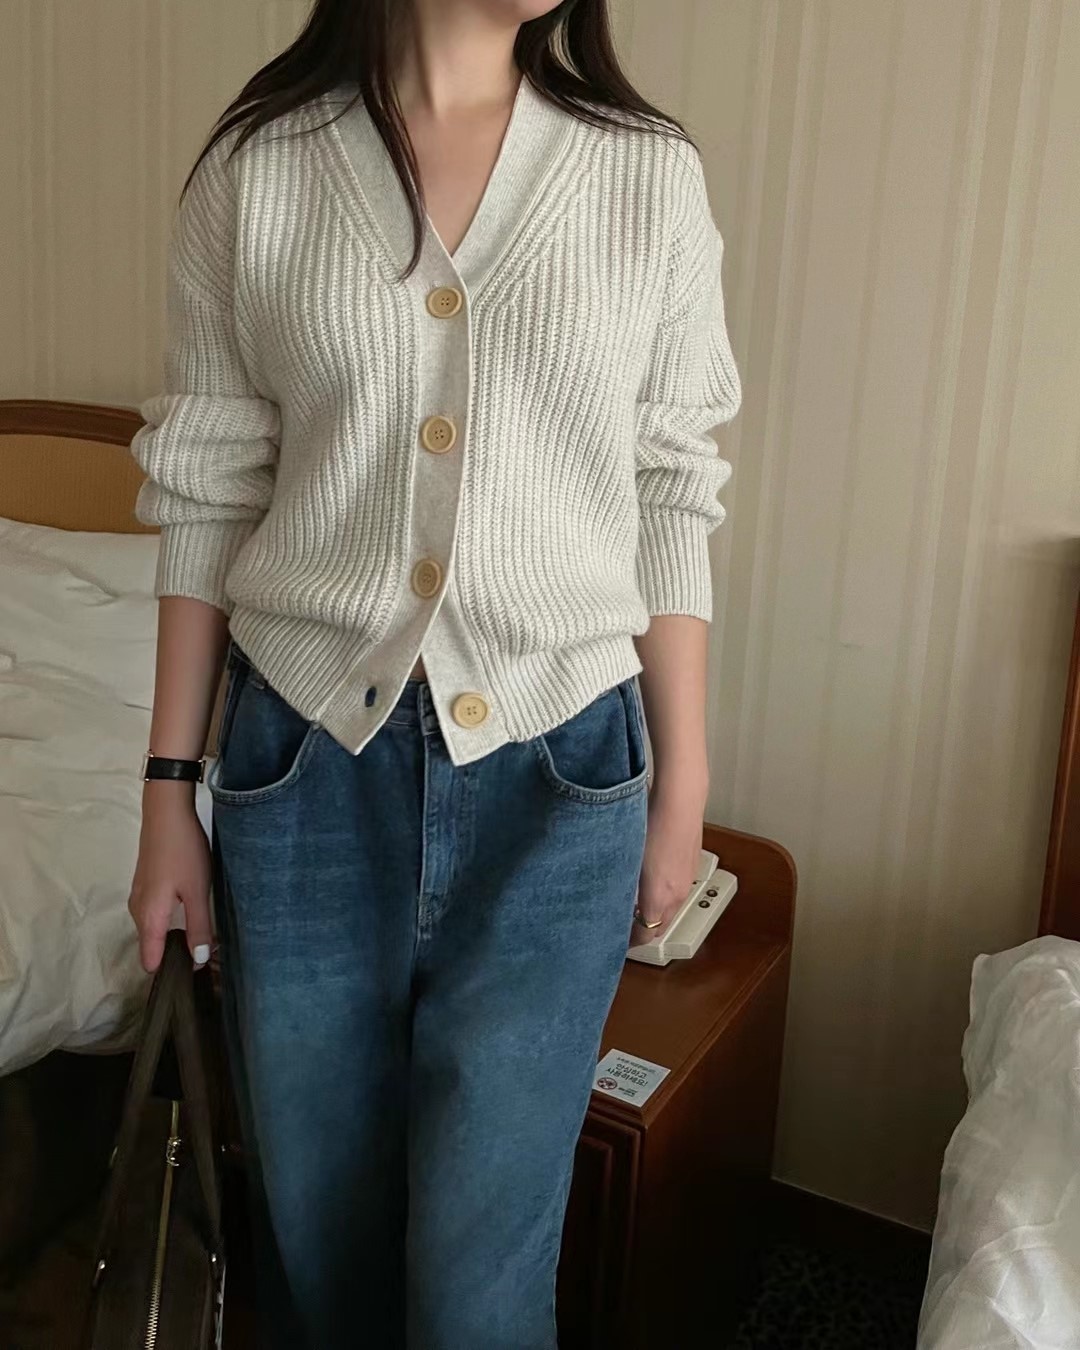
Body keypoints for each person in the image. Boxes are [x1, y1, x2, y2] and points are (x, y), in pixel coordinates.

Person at [126, 0, 741, 1345]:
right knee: (323, 1254)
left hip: (559, 778)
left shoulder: (643, 175)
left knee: (477, 1290)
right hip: (302, 773)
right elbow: (206, 490)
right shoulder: (260, 170)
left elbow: (671, 488)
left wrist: (682, 790)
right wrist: (169, 788)